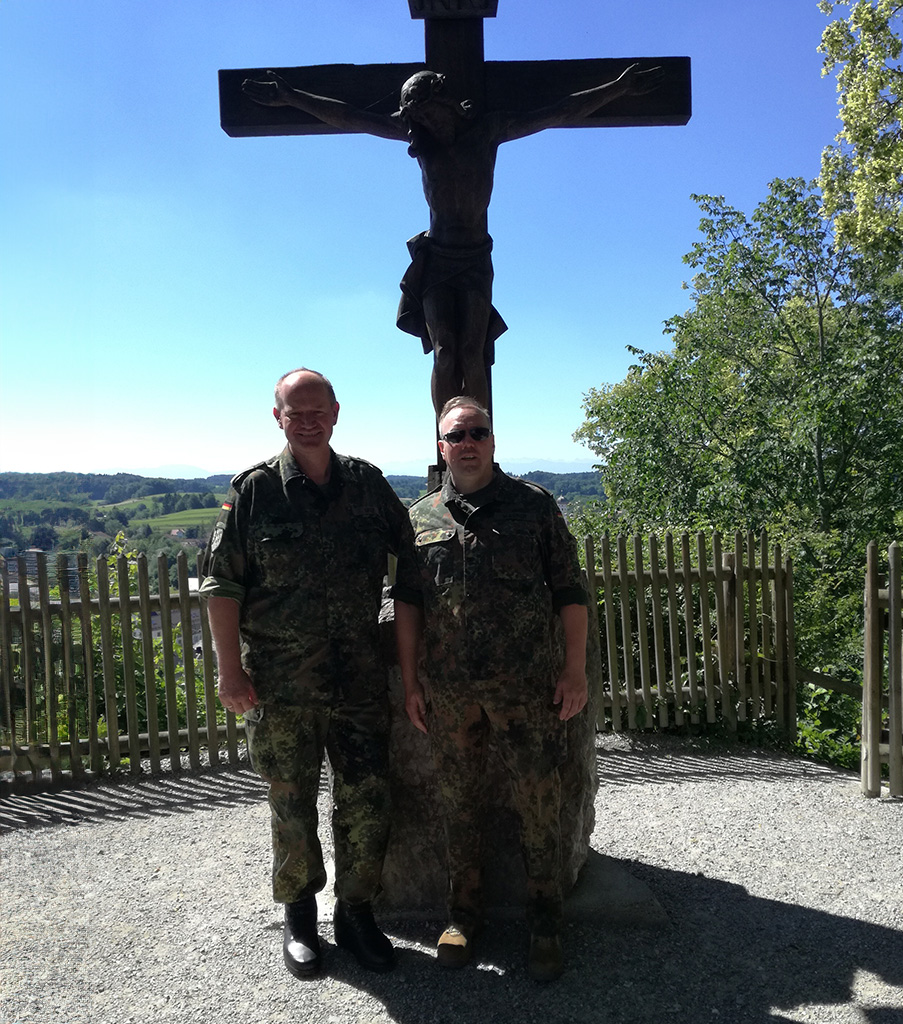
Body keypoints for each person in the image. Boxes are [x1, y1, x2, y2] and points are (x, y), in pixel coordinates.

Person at [240, 64, 663, 420]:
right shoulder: (418, 137)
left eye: (427, 113)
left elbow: (559, 111)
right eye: (416, 117)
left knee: (471, 349)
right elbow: (351, 116)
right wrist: (291, 96)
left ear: (443, 100)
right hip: (437, 258)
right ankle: (448, 432)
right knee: (444, 351)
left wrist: (619, 87)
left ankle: (477, 430)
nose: (422, 123)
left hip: (475, 256)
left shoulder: (489, 130)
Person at [200, 368, 422, 979]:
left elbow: (411, 571)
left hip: (356, 681)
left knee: (366, 800)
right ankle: (300, 917)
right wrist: (228, 673)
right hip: (281, 683)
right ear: (278, 418)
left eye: (316, 409)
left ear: (336, 412)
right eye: (294, 411)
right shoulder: (254, 493)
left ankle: (356, 913)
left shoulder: (369, 486)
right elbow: (221, 586)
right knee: (291, 802)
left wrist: (409, 674)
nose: (306, 420)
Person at [394, 395, 589, 982]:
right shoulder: (421, 518)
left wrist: (573, 669)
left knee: (539, 803)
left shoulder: (535, 508)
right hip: (451, 695)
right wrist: (411, 682)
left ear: (494, 441)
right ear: (441, 446)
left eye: (478, 431)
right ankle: (463, 915)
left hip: (528, 693)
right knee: (458, 804)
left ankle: (546, 921)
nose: (469, 442)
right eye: (457, 435)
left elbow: (570, 592)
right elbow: (406, 605)